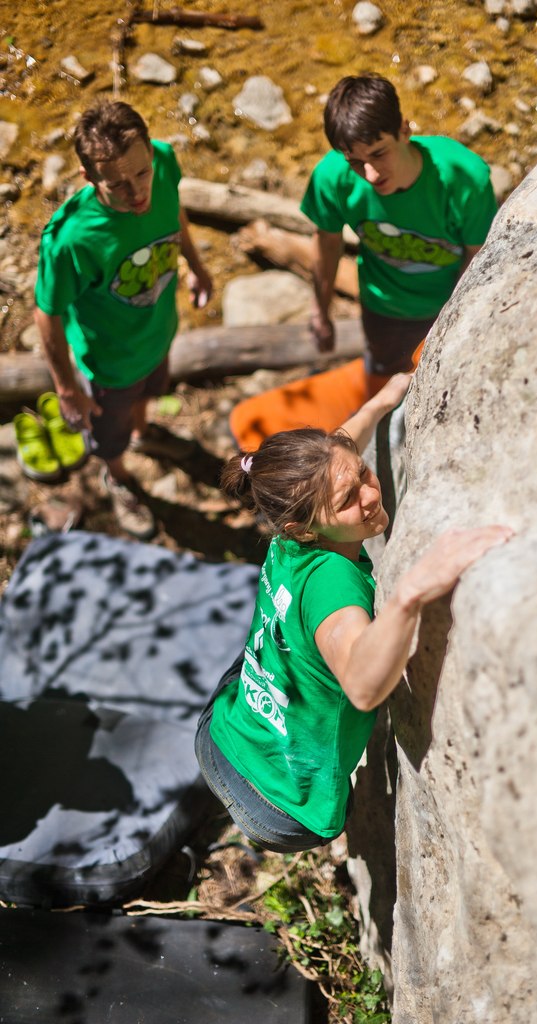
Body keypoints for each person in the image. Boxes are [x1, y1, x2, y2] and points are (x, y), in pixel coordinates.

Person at [195, 375, 512, 852]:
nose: (369, 493)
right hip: (287, 809)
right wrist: (412, 593)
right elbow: (363, 687)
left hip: (220, 738)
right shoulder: (330, 581)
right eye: (347, 500)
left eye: (363, 472)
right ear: (301, 528)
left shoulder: (290, 532)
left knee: (267, 655)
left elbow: (340, 448)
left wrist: (384, 400)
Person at [34, 100, 213, 539]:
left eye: (141, 173)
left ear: (151, 152)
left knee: (151, 391)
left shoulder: (165, 164)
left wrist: (196, 264)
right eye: (116, 184)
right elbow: (47, 312)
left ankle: (144, 432)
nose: (136, 192)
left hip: (157, 333)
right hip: (109, 364)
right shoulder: (73, 239)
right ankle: (115, 474)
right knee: (108, 432)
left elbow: (174, 211)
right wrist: (67, 389)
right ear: (88, 178)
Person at [300, 74, 497, 395]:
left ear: (404, 130)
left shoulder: (463, 178)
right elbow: (327, 243)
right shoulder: (331, 178)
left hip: (446, 302)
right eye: (355, 162)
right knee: (382, 374)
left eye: (379, 153)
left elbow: (478, 257)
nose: (370, 174)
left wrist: (456, 320)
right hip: (383, 307)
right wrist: (320, 313)